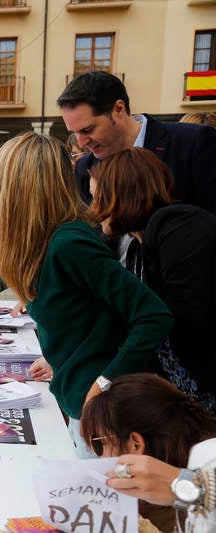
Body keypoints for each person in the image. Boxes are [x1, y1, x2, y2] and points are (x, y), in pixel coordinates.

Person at [0, 132, 173, 457]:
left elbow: (153, 315)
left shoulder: (69, 243)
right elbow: (4, 276)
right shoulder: (48, 239)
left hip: (101, 410)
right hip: (78, 398)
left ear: (15, 189)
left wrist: (104, 381)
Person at [88, 147, 216, 411]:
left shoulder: (178, 224)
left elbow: (182, 314)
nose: (95, 210)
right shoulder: (137, 244)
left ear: (123, 194)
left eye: (99, 198)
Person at [57, 71, 216, 210]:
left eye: (87, 130)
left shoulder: (194, 143)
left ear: (119, 109)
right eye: (74, 132)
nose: (81, 142)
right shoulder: (85, 168)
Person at [81, 373, 216, 532]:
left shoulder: (206, 455)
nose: (99, 457)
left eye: (98, 445)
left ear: (136, 444)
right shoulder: (162, 497)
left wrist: (188, 487)